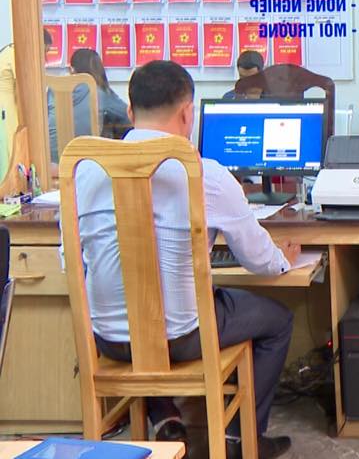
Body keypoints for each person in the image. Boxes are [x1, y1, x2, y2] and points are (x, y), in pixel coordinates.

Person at [70, 60, 300, 459]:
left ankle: (164, 421)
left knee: (148, 314)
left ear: (129, 112)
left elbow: (70, 261)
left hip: (108, 340)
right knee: (279, 320)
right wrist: (284, 259)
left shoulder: (83, 171)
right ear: (187, 112)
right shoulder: (202, 173)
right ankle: (239, 439)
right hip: (184, 339)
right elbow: (260, 260)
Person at [68, 49, 132, 139]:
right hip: (88, 150)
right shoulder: (101, 93)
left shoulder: (53, 92)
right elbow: (129, 116)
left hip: (52, 152)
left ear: (71, 70)